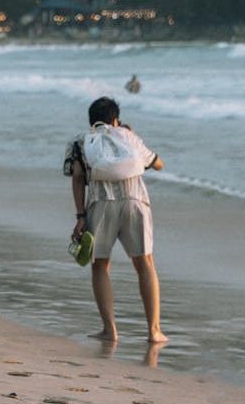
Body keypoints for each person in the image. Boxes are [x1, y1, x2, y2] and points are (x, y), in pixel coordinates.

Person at [64, 97, 168, 344]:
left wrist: (80, 217)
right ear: (115, 119)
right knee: (145, 264)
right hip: (135, 202)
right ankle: (154, 331)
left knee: (100, 265)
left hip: (100, 205)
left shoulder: (80, 142)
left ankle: (110, 330)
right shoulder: (128, 137)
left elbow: (77, 177)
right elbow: (159, 164)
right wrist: (130, 136)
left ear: (92, 121)